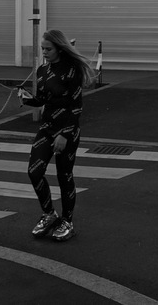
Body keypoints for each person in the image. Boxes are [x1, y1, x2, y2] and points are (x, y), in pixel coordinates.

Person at [21, 29, 95, 242]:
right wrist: (27, 98)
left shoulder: (72, 71)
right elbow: (43, 99)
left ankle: (67, 221)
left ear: (59, 49)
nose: (44, 52)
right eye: (42, 48)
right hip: (47, 127)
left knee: (64, 176)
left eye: (48, 49)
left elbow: (76, 106)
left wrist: (65, 135)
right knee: (34, 172)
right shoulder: (42, 70)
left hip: (67, 130)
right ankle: (49, 214)